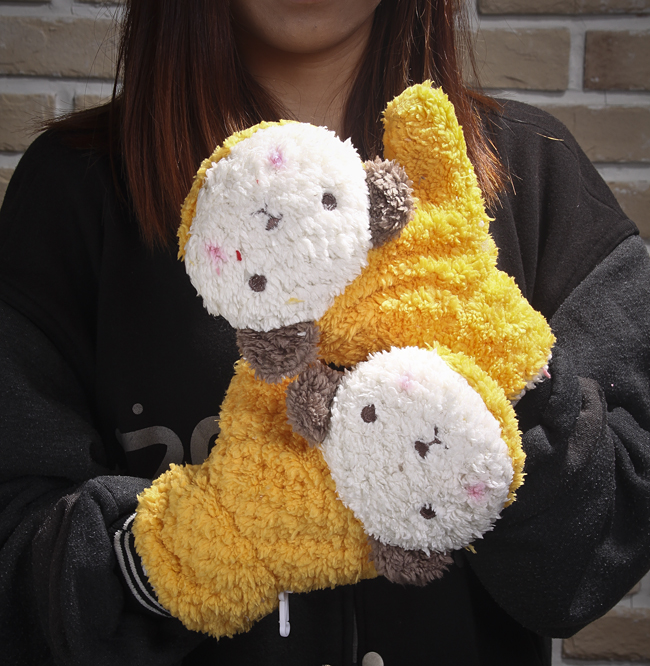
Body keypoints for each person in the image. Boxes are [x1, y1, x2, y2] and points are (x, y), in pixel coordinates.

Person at [1, 1, 649, 664]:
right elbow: (16, 569)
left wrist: (497, 368)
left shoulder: (529, 169)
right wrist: (186, 546)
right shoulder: (73, 192)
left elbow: (595, 554)